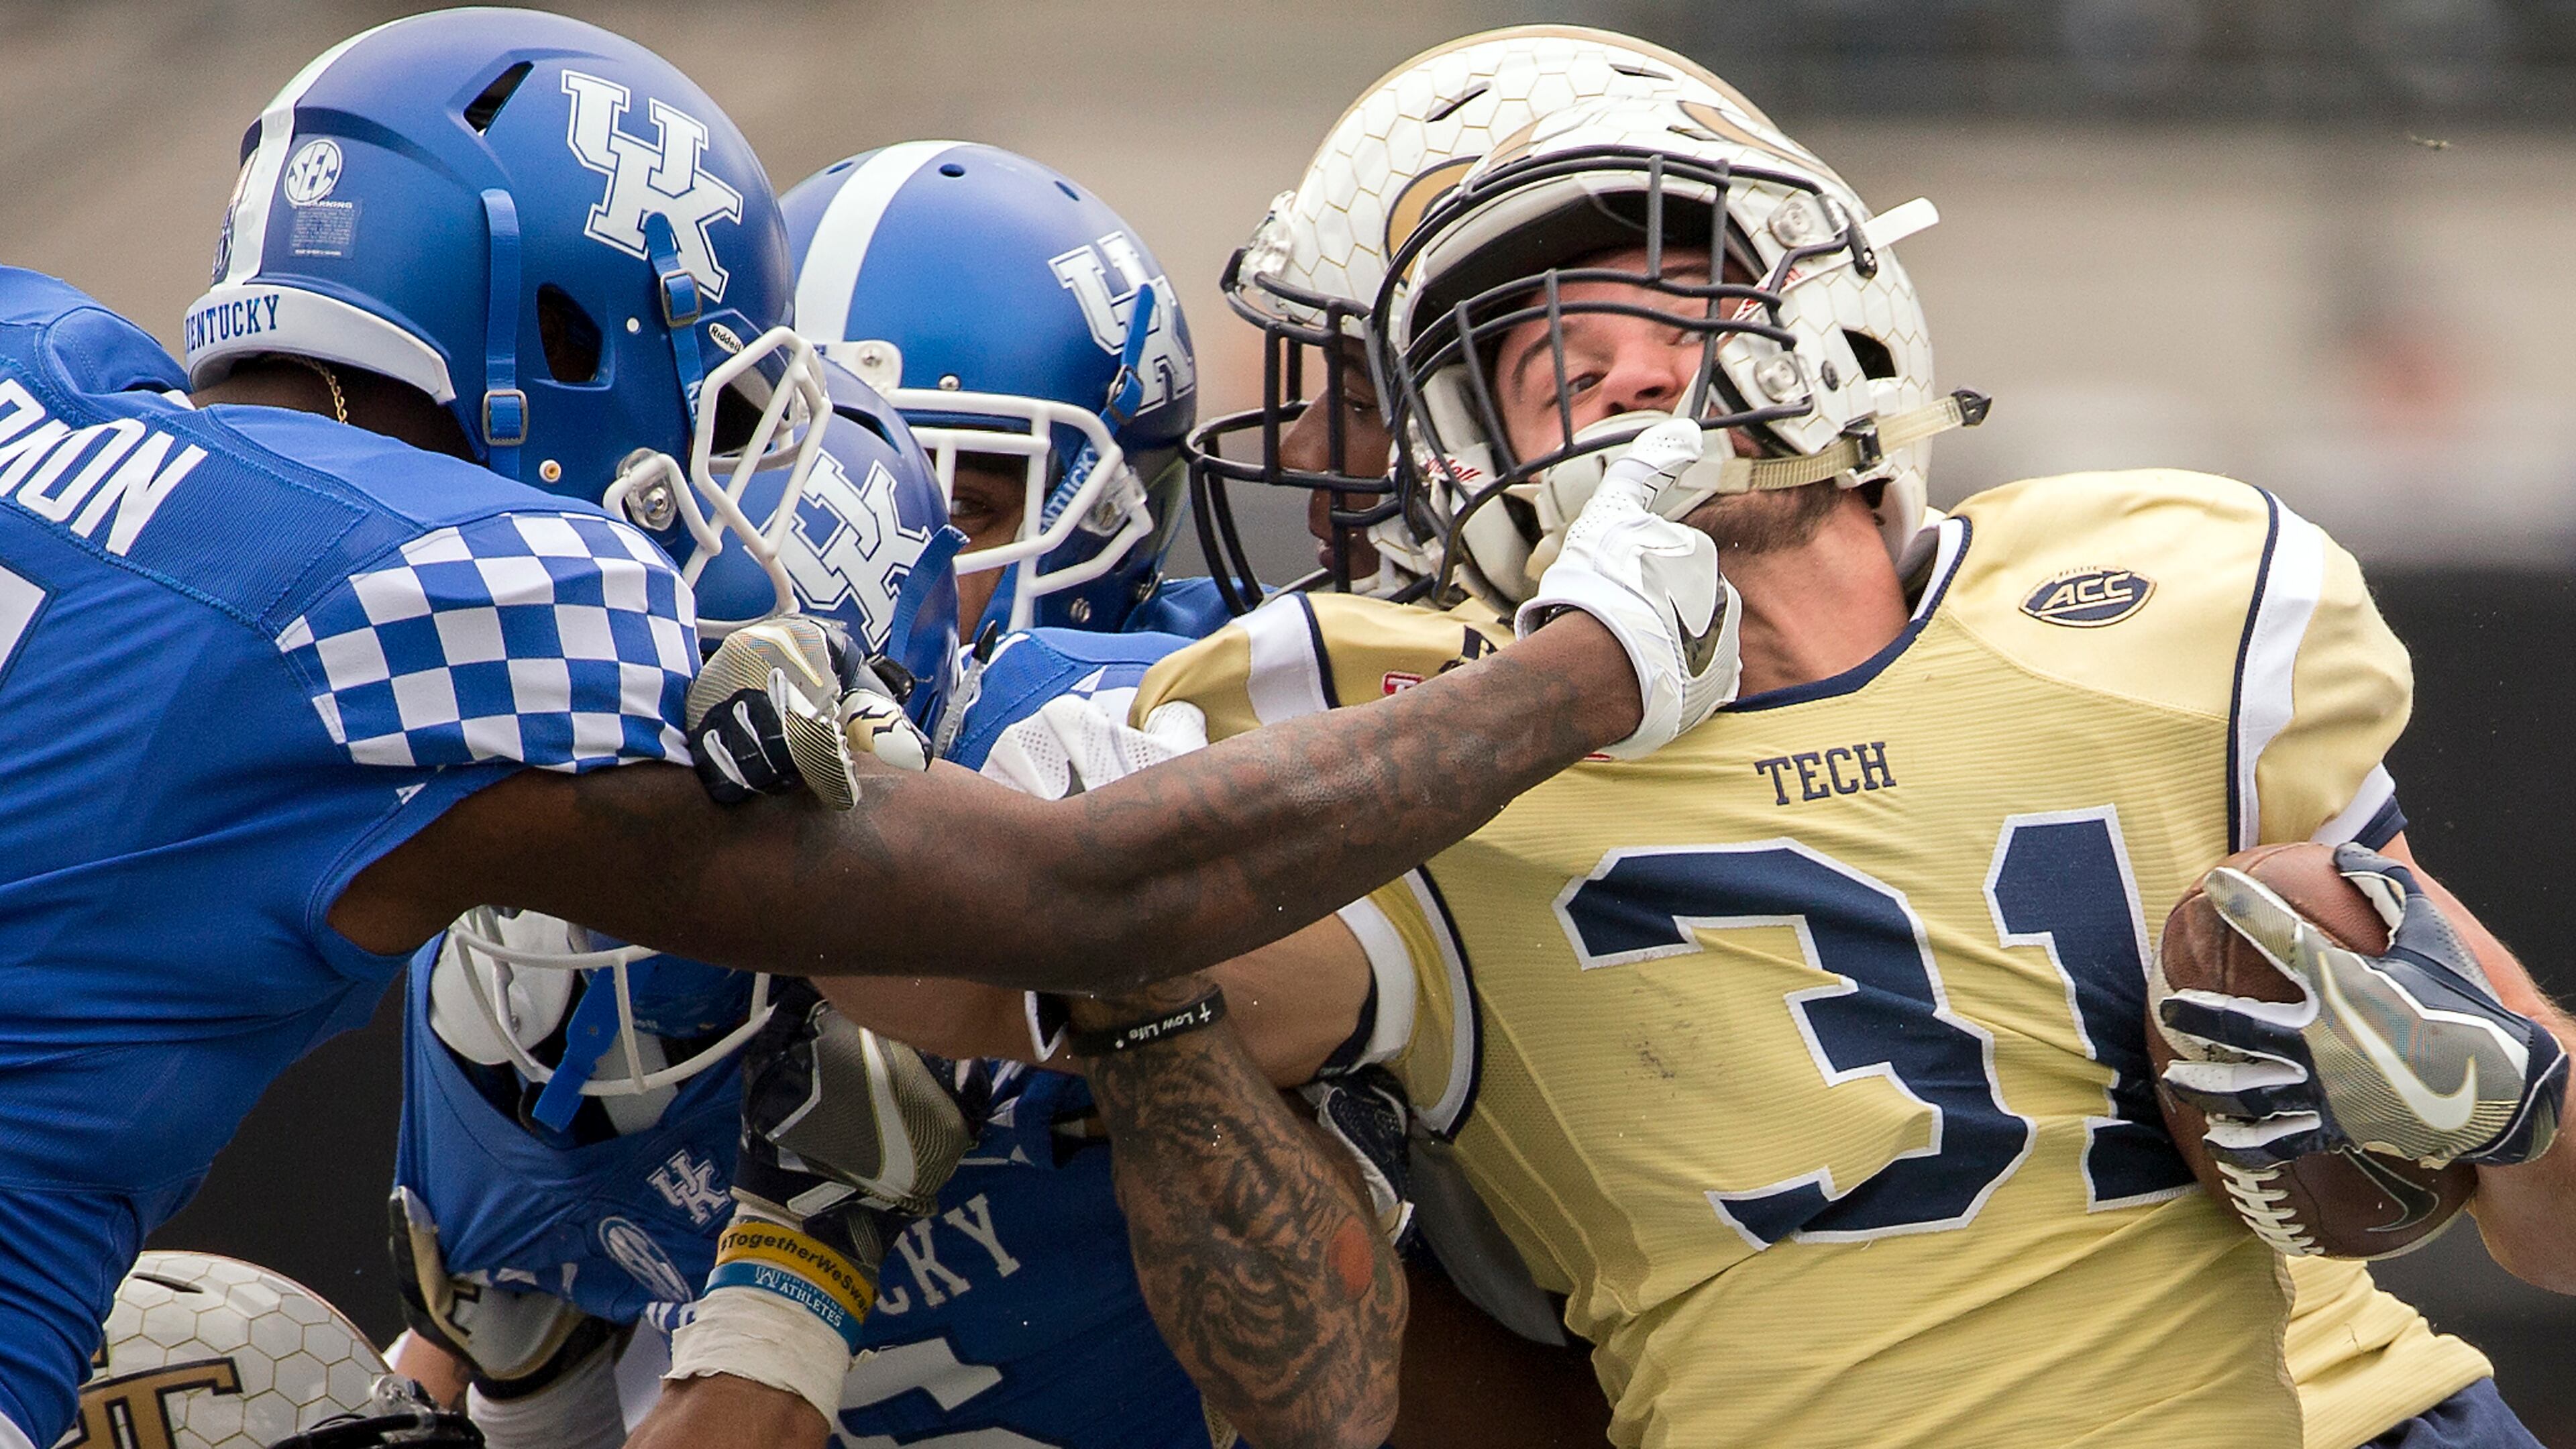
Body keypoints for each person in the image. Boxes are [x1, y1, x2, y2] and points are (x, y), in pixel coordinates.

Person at [0, 10, 1735, 1445]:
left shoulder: (39, 359)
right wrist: (1588, 662)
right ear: (560, 344)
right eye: (736, 408)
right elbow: (1088, 885)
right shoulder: (452, 601)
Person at [1138, 80, 2573, 1448]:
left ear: (1839, 327)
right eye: (1559, 371)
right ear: (1465, 471)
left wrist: (2513, 1104)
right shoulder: (1417, 746)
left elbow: (2552, 1227)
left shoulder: (2165, 598)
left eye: (1689, 316)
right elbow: (1052, 950)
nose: (1638, 375)